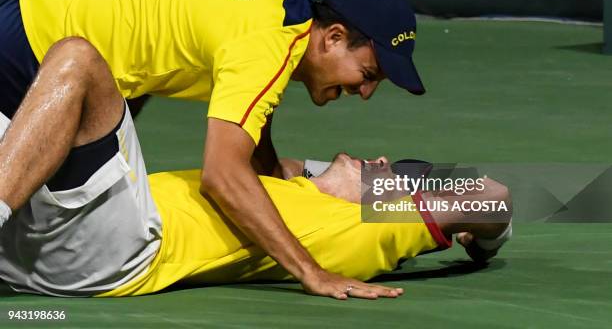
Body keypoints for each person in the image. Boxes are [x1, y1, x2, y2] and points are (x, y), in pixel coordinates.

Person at [0, 0, 425, 298]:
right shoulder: (268, 49)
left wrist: (309, 178)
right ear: (332, 38)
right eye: (368, 75)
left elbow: (255, 152)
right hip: (37, 37)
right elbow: (223, 175)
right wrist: (311, 272)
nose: (365, 92)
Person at [0, 152, 512, 298]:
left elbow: (495, 197)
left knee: (79, 61)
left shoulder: (355, 230)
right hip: (60, 213)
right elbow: (288, 164)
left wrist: (481, 238)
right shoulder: (290, 188)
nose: (380, 161)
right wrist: (330, 173)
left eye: (393, 173)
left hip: (109, 239)